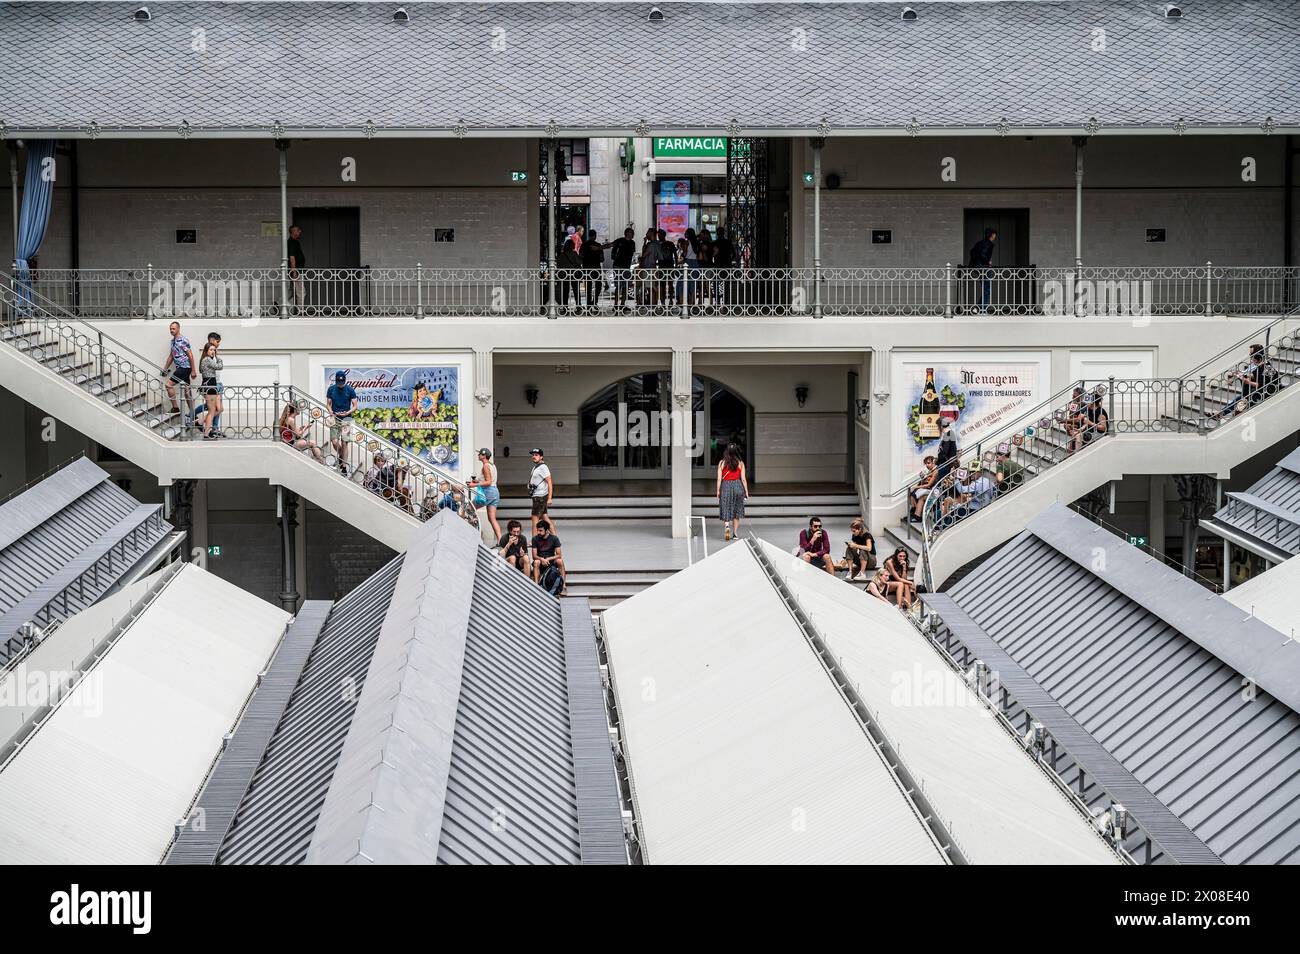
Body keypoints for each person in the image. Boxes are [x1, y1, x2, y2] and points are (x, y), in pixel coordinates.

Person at [326, 370, 358, 476]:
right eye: (338, 382)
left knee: (345, 442)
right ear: (336, 380)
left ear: (345, 380)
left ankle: (344, 466)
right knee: (334, 441)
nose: (340, 384)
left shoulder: (350, 390)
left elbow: (355, 406)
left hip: (347, 419)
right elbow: (328, 404)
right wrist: (330, 411)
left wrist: (348, 412)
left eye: (342, 382)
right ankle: (341, 456)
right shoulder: (331, 389)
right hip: (334, 418)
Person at [161, 321, 196, 417]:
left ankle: (175, 408)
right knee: (187, 391)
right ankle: (194, 414)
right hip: (181, 368)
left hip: (184, 367)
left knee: (168, 385)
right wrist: (165, 368)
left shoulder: (183, 340)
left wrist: (193, 370)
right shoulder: (173, 341)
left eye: (173, 328)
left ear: (178, 329)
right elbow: (171, 356)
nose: (171, 330)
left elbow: (190, 355)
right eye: (170, 329)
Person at [716, 442, 749, 541]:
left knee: (726, 508)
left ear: (727, 451)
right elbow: (743, 479)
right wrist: (746, 491)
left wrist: (718, 490)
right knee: (736, 511)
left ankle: (727, 527)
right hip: (737, 486)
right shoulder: (740, 463)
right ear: (736, 451)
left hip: (725, 486)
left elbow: (719, 479)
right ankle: (735, 534)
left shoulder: (722, 463)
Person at [530, 519, 566, 595]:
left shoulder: (554, 538)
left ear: (546, 530)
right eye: (538, 530)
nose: (538, 532)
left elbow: (559, 554)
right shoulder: (535, 539)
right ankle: (536, 585)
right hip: (540, 560)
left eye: (540, 531)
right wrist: (542, 559)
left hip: (551, 560)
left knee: (560, 561)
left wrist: (548, 559)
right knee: (536, 562)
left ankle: (563, 586)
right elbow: (534, 556)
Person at [196, 340, 223, 440]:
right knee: (212, 410)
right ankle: (206, 434)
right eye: (211, 350)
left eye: (214, 350)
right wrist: (219, 358)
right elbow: (219, 367)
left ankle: (200, 421)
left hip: (212, 385)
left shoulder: (206, 359)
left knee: (219, 409)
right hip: (209, 386)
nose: (213, 352)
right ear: (206, 350)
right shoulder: (207, 359)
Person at [610, 226, 638, 312]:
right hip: (618, 266)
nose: (633, 235)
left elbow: (631, 254)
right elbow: (611, 246)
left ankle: (622, 304)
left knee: (625, 286)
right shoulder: (620, 241)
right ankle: (615, 305)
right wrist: (599, 248)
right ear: (627, 233)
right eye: (632, 233)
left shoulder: (632, 243)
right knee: (618, 286)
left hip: (626, 267)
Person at [527, 447, 554, 534]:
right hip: (537, 496)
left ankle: (533, 540)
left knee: (535, 519)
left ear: (541, 457)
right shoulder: (536, 467)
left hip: (540, 497)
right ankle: (555, 537)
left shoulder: (543, 467)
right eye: (533, 455)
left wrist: (550, 498)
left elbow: (549, 482)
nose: (534, 456)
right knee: (545, 518)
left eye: (536, 455)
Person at [968, 227, 997, 309]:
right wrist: (988, 261)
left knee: (985, 289)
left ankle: (978, 308)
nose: (995, 236)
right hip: (984, 268)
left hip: (977, 268)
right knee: (987, 289)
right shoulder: (989, 243)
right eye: (994, 235)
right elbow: (982, 254)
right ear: (992, 235)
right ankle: (982, 310)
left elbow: (971, 252)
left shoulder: (979, 243)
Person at [477, 448, 502, 540]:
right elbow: (490, 480)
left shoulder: (485, 466)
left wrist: (474, 484)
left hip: (489, 491)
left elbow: (488, 482)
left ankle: (472, 531)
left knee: (470, 508)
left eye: (480, 454)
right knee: (492, 519)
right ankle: (500, 540)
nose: (478, 455)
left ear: (484, 456)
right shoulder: (492, 465)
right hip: (495, 491)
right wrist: (478, 481)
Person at [581, 228, 607, 313]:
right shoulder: (598, 246)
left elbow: (581, 256)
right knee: (598, 285)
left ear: (589, 235)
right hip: (596, 268)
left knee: (588, 286)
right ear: (595, 236)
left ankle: (588, 305)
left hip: (587, 268)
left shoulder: (584, 245)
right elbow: (602, 259)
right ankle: (594, 301)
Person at [910, 455, 939, 522]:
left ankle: (917, 515)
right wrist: (923, 478)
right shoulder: (930, 471)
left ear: (933, 463)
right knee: (912, 494)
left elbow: (929, 484)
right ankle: (915, 513)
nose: (927, 465)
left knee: (919, 496)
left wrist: (915, 487)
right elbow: (924, 483)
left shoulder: (935, 471)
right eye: (926, 463)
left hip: (933, 491)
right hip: (927, 490)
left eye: (928, 463)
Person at [558, 238, 583, 314]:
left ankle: (565, 307)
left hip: (565, 275)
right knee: (576, 291)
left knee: (565, 292)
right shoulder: (574, 253)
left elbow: (559, 265)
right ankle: (578, 306)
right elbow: (579, 262)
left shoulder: (562, 255)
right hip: (574, 275)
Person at [287, 224, 307, 314]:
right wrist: (294, 271)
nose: (300, 232)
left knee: (291, 292)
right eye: (298, 230)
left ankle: (278, 303)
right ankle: (301, 312)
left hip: (296, 271)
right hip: (296, 271)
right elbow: (292, 257)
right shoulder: (292, 242)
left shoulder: (294, 242)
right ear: (293, 232)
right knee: (301, 292)